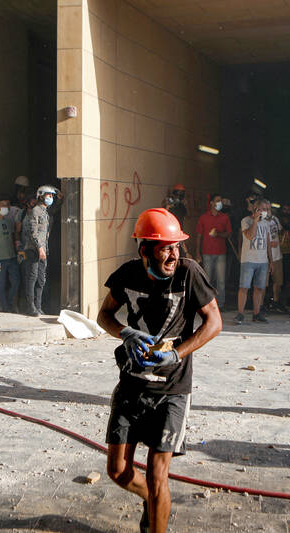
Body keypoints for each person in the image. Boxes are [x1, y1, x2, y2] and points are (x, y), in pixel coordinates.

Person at [96, 208, 221, 533]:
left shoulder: (189, 273)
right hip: (131, 386)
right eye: (165, 248)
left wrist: (176, 354)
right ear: (145, 250)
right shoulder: (127, 274)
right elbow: (104, 315)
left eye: (176, 247)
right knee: (118, 471)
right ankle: (152, 502)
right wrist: (125, 332)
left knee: (156, 474)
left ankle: (156, 518)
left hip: (172, 390)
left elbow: (214, 322)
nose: (173, 255)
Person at [236, 198, 271, 324]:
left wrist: (270, 260)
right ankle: (240, 313)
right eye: (262, 209)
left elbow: (268, 242)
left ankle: (256, 313)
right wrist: (255, 220)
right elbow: (250, 236)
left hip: (263, 260)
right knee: (244, 287)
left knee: (259, 288)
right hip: (248, 260)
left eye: (266, 209)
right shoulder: (246, 221)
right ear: (255, 209)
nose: (265, 212)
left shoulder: (266, 223)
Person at [21, 185, 55, 316]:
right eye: (48, 195)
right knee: (32, 277)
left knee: (41, 279)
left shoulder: (45, 212)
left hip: (43, 250)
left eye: (51, 196)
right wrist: (40, 248)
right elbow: (32, 232)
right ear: (41, 196)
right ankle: (30, 307)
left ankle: (38, 306)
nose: (50, 198)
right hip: (33, 249)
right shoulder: (35, 211)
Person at [195, 194, 231, 311]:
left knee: (221, 280)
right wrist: (197, 252)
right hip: (206, 252)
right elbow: (199, 236)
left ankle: (220, 304)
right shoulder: (203, 217)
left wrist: (218, 234)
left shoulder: (225, 217)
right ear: (211, 203)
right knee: (207, 279)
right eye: (217, 200)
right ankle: (206, 304)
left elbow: (229, 234)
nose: (220, 203)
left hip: (221, 253)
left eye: (221, 201)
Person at [261, 199, 285, 311]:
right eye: (265, 208)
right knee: (263, 283)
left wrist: (282, 236)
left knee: (278, 281)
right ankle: (261, 304)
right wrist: (268, 243)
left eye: (269, 208)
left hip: (277, 255)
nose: (268, 210)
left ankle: (275, 302)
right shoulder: (259, 220)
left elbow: (280, 231)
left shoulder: (275, 219)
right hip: (264, 256)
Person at [162, 184, 190, 258]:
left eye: (181, 194)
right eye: (178, 194)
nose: (179, 197)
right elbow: (163, 217)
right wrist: (167, 207)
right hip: (169, 233)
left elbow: (188, 216)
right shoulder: (169, 204)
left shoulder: (182, 206)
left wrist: (186, 205)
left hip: (178, 232)